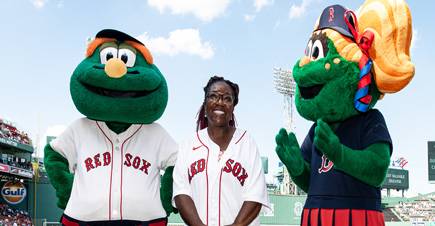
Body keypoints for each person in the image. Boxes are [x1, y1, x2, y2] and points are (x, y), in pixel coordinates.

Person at [173, 76, 270, 226]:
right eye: (213, 96)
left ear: (233, 107)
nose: (220, 102)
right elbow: (181, 193)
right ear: (205, 105)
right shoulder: (188, 144)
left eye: (227, 98)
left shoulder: (246, 142)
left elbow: (256, 195)